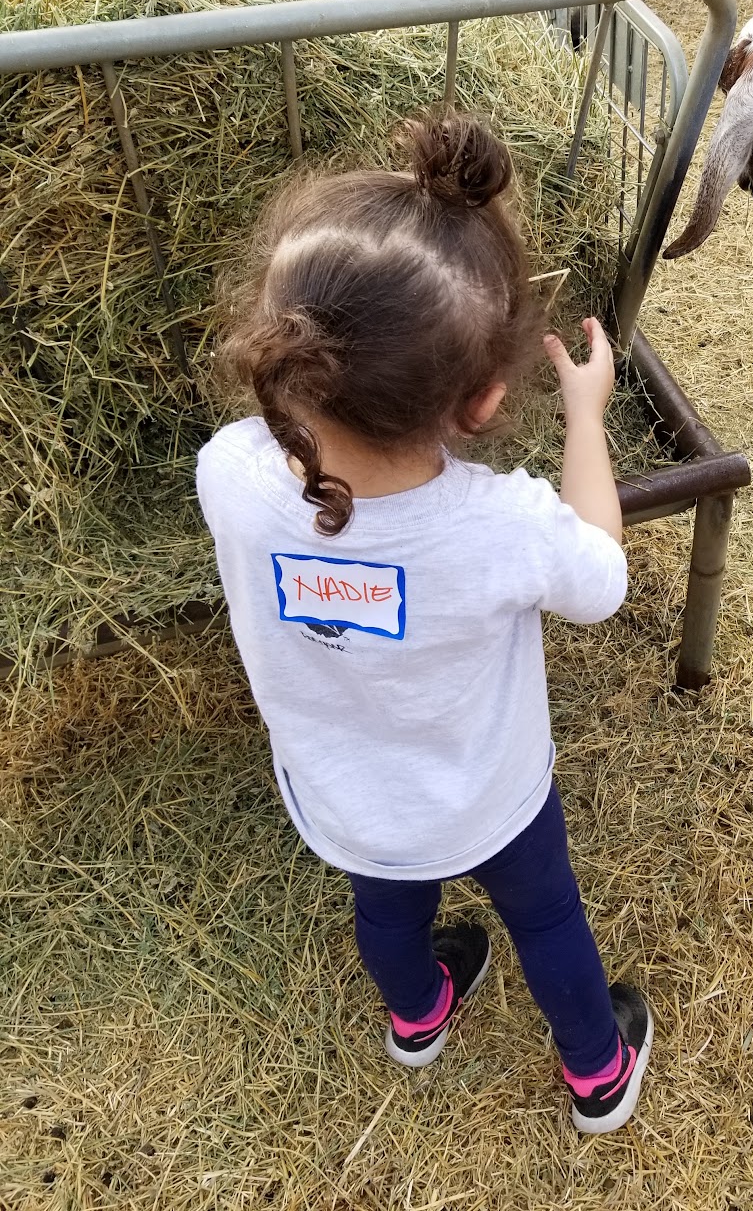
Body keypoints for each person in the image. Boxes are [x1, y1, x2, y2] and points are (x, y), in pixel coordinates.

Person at [196, 112, 651, 1135]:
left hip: (351, 798)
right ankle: (596, 1072)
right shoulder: (500, 524)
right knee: (543, 917)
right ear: (483, 399)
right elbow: (603, 578)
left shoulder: (226, 473)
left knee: (388, 911)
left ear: (283, 348)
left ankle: (419, 1013)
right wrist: (586, 416)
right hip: (493, 795)